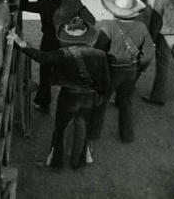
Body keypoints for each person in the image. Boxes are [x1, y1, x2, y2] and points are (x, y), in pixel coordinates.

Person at [9, 17, 111, 170]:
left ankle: (56, 163)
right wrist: (100, 96)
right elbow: (105, 81)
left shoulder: (63, 53)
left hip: (69, 96)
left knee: (61, 129)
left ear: (68, 37)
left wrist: (21, 43)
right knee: (82, 128)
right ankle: (78, 162)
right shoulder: (100, 54)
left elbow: (41, 57)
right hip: (89, 96)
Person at [21, 0, 96, 112]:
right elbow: (91, 20)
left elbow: (23, 5)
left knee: (45, 71)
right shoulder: (75, 2)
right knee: (68, 69)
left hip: (48, 41)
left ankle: (43, 101)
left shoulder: (44, 3)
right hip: (68, 41)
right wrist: (75, 29)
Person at [90, 0, 154, 143]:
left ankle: (93, 134)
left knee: (101, 101)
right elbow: (148, 53)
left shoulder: (109, 27)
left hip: (112, 71)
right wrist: (139, 68)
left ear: (115, 11)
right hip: (131, 71)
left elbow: (98, 52)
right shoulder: (142, 27)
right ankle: (127, 135)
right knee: (126, 102)